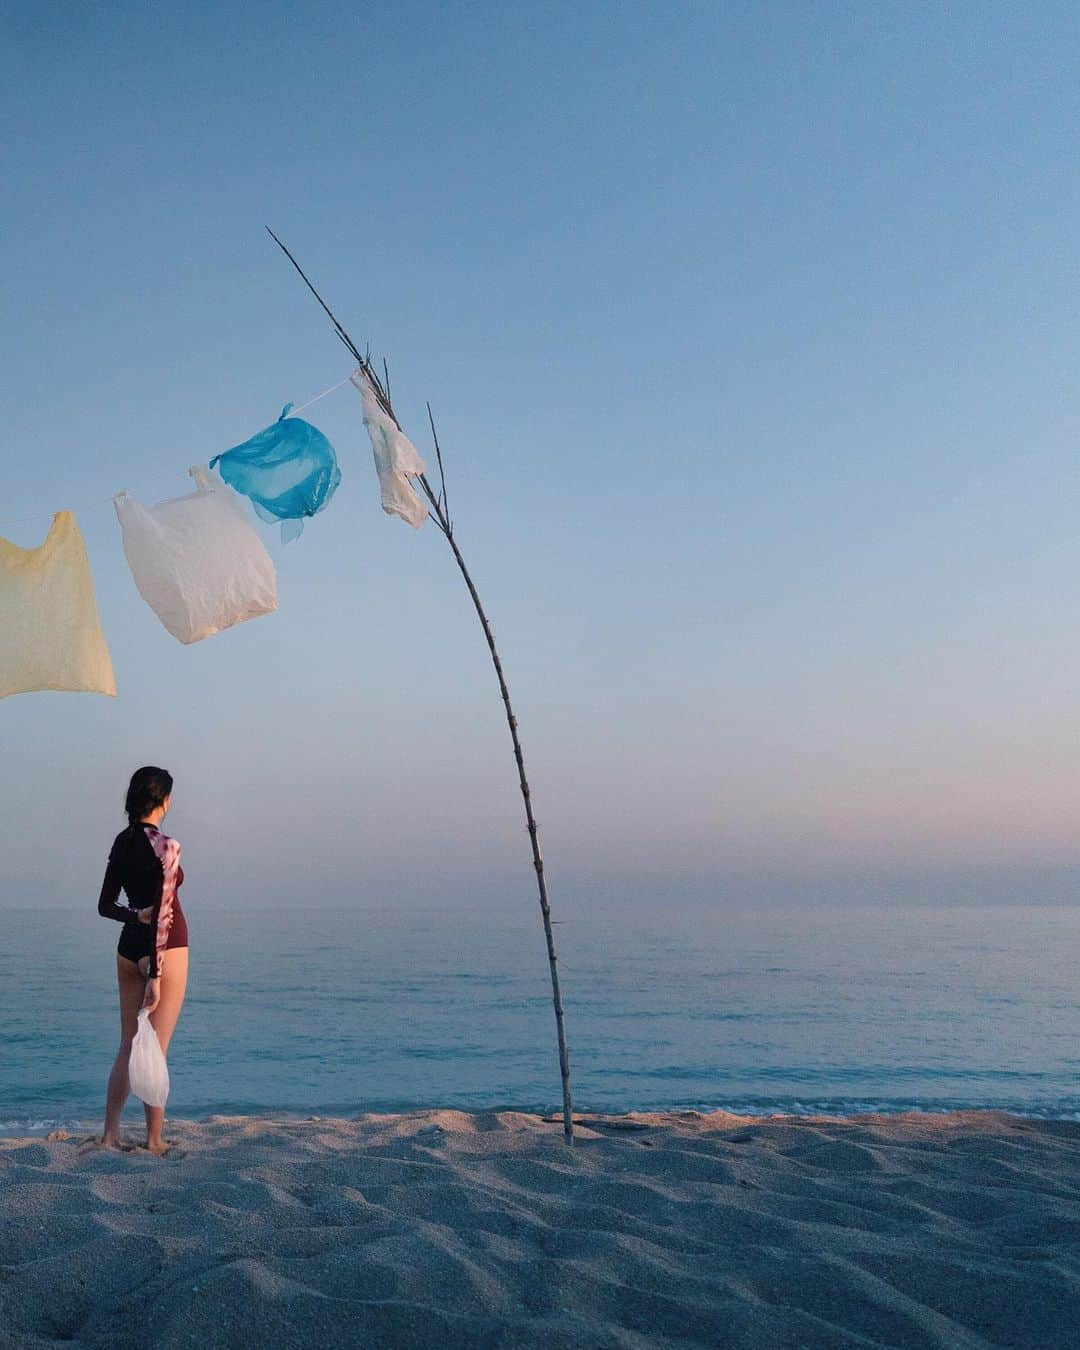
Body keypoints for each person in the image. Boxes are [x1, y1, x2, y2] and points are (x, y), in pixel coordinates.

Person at [96, 766, 189, 1154]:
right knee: (157, 1047)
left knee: (127, 1044)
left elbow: (105, 906)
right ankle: (153, 1139)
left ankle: (110, 1136)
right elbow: (164, 915)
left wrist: (136, 916)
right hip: (163, 951)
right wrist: (156, 970)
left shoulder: (122, 841)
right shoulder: (166, 846)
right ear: (163, 801)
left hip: (126, 948)